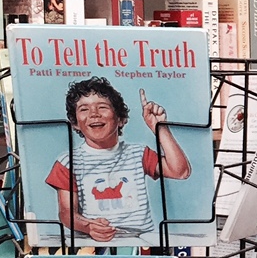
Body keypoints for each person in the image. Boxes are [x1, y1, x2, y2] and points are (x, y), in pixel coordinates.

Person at [46, 76, 191, 243]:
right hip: (95, 241)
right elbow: (67, 212)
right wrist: (88, 226)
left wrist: (159, 127)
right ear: (75, 123)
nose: (94, 114)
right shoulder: (67, 162)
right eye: (84, 109)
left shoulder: (138, 153)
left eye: (102, 107)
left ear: (121, 119)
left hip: (141, 241)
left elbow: (180, 171)